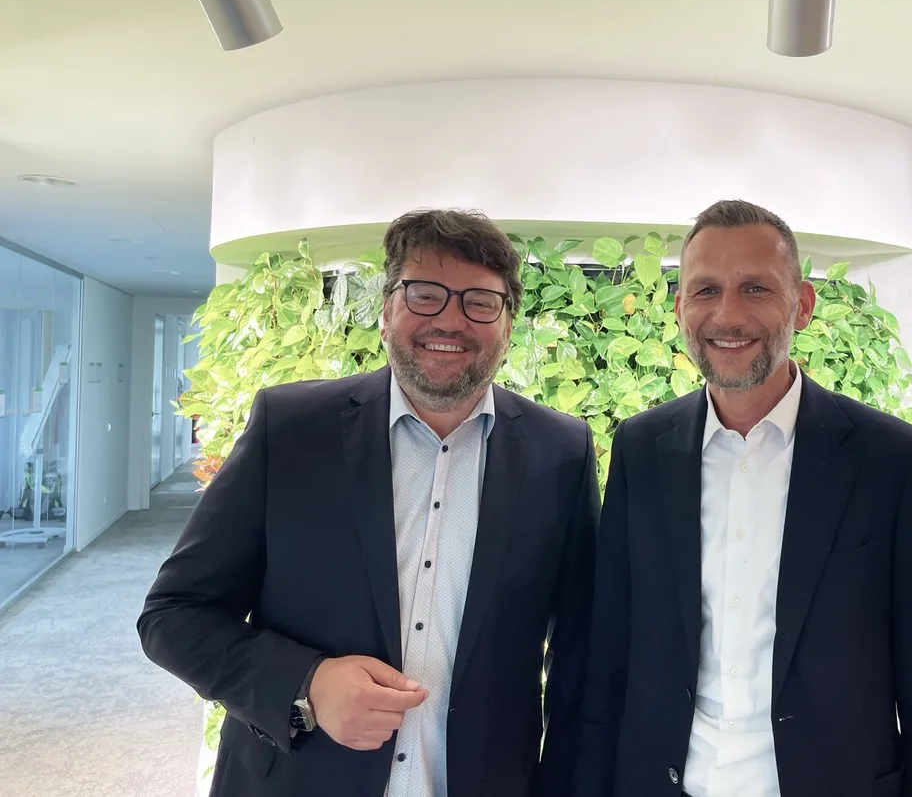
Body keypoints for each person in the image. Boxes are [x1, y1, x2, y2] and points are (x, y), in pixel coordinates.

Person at [138, 209, 599, 797]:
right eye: (425, 294)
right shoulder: (291, 430)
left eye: (480, 302)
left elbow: (580, 655)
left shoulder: (561, 452)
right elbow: (174, 615)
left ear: (508, 324)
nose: (450, 320)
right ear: (385, 312)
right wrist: (308, 684)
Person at [575, 199, 912, 797]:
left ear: (803, 305)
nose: (728, 314)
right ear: (680, 307)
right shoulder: (641, 449)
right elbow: (609, 650)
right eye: (706, 290)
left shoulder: (894, 462)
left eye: (756, 288)